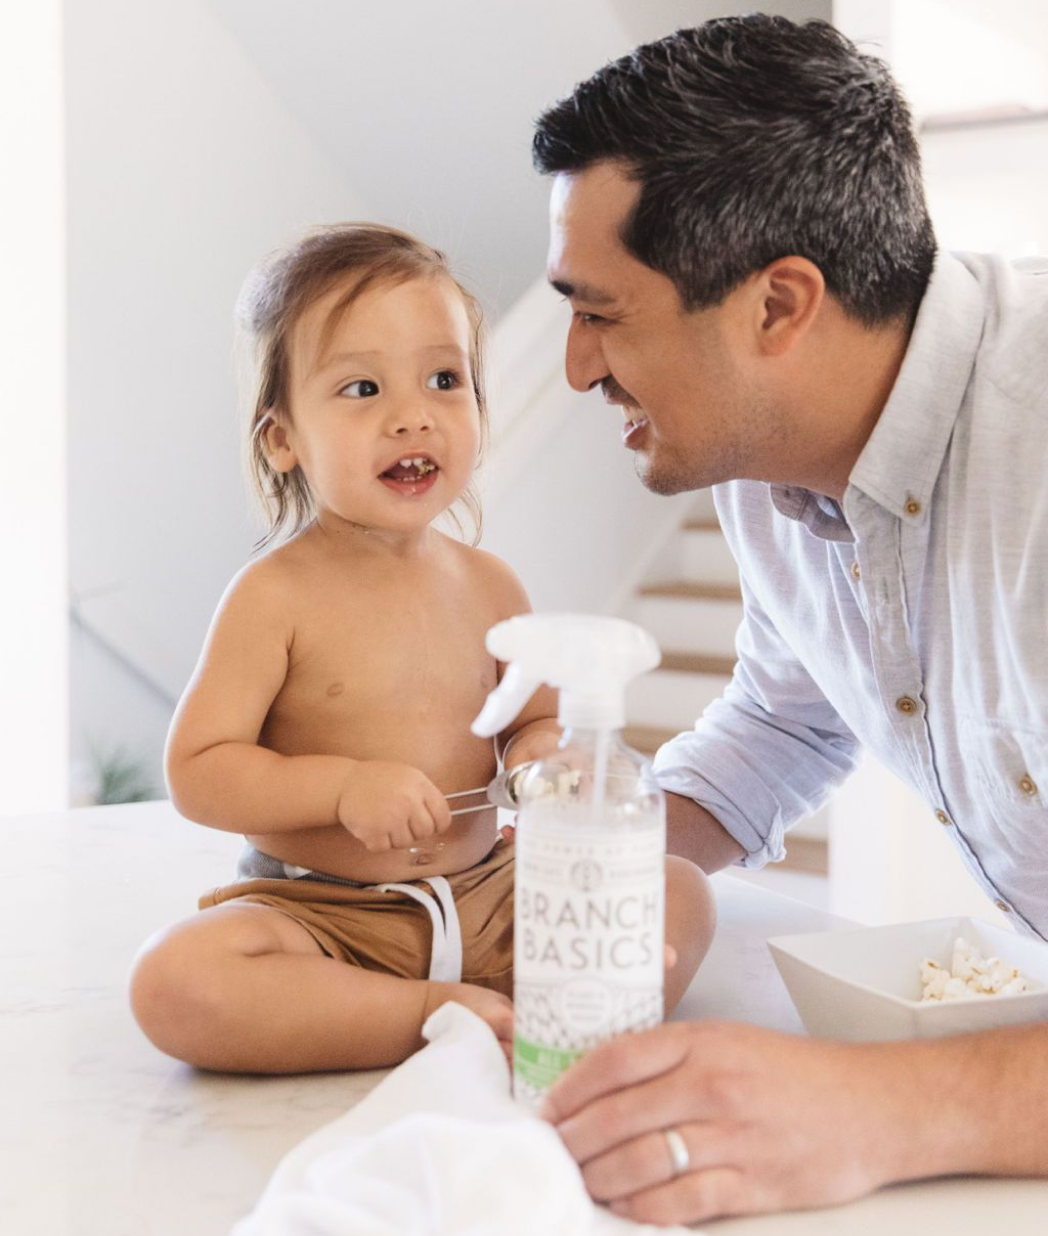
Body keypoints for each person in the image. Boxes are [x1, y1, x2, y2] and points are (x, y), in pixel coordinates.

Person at [529, 13, 1048, 1228]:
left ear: (777, 306)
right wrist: (615, 862)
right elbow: (782, 712)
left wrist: (886, 1109)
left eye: (601, 311)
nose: (571, 366)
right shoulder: (779, 450)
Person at [129, 222, 715, 1074]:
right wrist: (342, 789)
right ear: (282, 439)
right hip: (327, 921)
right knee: (176, 982)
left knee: (681, 893)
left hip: (487, 900)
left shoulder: (490, 586)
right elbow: (199, 770)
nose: (413, 417)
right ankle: (427, 1013)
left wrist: (544, 772)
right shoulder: (274, 597)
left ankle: (546, 1011)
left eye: (445, 379)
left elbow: (530, 726)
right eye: (362, 388)